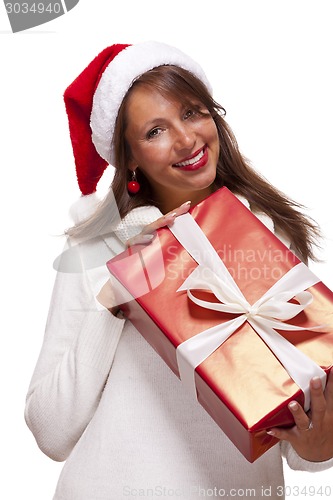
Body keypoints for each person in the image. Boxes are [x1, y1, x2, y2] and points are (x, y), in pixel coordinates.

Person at [25, 41, 333, 500]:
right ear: (128, 157)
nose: (187, 139)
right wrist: (118, 294)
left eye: (192, 113)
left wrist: (318, 448)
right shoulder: (94, 249)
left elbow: (292, 432)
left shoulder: (269, 237)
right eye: (155, 131)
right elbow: (51, 432)